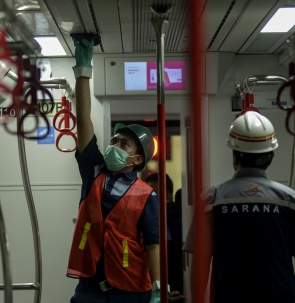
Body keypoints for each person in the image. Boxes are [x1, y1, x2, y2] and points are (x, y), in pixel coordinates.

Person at [66, 34, 168, 303]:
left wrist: (158, 286)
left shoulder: (147, 195)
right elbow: (84, 118)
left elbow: (154, 243)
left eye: (125, 144)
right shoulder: (94, 170)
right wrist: (83, 70)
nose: (115, 146)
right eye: (115, 140)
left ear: (137, 160)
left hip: (131, 290)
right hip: (90, 290)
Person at [184, 111, 295, 303]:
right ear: (271, 157)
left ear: (235, 156)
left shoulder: (211, 201)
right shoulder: (291, 201)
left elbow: (201, 261)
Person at [145, 173, 184, 300]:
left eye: (153, 194)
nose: (148, 199)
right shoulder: (147, 220)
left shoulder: (172, 222)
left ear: (167, 196)